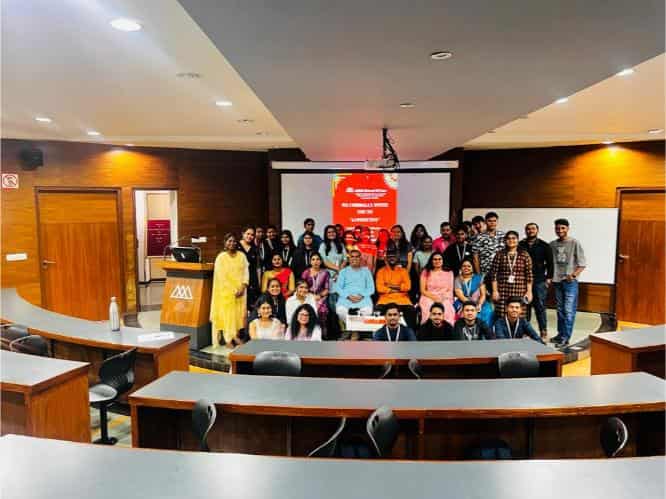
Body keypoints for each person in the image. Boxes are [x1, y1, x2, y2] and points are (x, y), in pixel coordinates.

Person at [550, 218, 586, 347]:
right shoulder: (552, 244)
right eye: (557, 228)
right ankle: (560, 334)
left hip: (570, 282)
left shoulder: (574, 243)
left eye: (563, 228)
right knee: (560, 310)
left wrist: (573, 275)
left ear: (567, 228)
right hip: (557, 281)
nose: (560, 230)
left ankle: (566, 337)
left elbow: (582, 264)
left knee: (568, 310)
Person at [210, 233, 249, 348]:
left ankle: (236, 336)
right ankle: (228, 339)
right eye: (229, 241)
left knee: (239, 315)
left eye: (234, 241)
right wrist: (234, 290)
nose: (232, 243)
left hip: (241, 291)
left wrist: (243, 286)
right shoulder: (221, 257)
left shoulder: (242, 256)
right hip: (226, 293)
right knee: (228, 315)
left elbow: (246, 272)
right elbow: (221, 277)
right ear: (225, 243)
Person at [519, 223, 554, 339]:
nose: (530, 231)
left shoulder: (544, 245)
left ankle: (543, 331)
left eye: (533, 229)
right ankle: (525, 331)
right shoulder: (520, 245)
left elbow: (550, 263)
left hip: (539, 280)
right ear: (525, 231)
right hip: (523, 280)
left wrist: (548, 278)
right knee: (525, 306)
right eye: (528, 229)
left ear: (537, 230)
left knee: (540, 307)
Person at [489, 231, 533, 319]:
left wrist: (529, 292)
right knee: (501, 315)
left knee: (518, 314)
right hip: (503, 290)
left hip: (520, 290)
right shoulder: (499, 254)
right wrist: (494, 291)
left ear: (518, 240)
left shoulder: (524, 255)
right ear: (505, 241)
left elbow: (529, 275)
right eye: (508, 238)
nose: (511, 240)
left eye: (514, 238)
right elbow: (494, 274)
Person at [375, 249, 416, 328]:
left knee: (411, 311)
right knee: (377, 311)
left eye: (394, 256)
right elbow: (379, 288)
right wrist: (399, 288)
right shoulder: (381, 271)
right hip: (385, 300)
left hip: (402, 300)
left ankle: (410, 333)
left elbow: (408, 287)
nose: (392, 258)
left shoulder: (403, 271)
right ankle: (380, 334)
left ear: (398, 258)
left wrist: (389, 286)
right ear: (386, 258)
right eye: (389, 256)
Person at [334, 249, 375, 322]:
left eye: (357, 257)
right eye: (352, 257)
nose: (354, 258)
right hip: (346, 299)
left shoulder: (366, 271)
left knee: (368, 311)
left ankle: (357, 327)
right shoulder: (343, 271)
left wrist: (362, 295)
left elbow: (371, 288)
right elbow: (338, 288)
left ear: (360, 259)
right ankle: (352, 327)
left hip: (363, 299)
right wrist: (348, 296)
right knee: (340, 311)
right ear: (349, 259)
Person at [454, 259, 494, 326]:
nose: (466, 268)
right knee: (468, 313)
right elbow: (460, 296)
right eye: (464, 266)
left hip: (479, 301)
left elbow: (483, 295)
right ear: (461, 268)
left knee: (488, 311)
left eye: (469, 266)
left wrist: (480, 304)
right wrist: (472, 305)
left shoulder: (479, 278)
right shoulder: (458, 279)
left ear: (472, 268)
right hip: (463, 302)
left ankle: (485, 331)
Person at [418, 252, 455, 325]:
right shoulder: (426, 272)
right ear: (431, 261)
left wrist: (442, 298)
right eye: (435, 259)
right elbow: (422, 290)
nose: (437, 261)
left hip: (444, 297)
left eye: (439, 259)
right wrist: (434, 298)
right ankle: (428, 329)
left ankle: (447, 329)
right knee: (429, 309)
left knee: (447, 309)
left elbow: (450, 290)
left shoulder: (449, 272)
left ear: (443, 260)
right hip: (428, 296)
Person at [301, 253, 330, 338]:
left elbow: (327, 289)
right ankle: (308, 331)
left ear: (321, 261)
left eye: (318, 259)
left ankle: (321, 331)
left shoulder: (325, 273)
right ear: (310, 261)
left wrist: (319, 296)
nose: (315, 261)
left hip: (321, 297)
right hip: (307, 295)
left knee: (321, 309)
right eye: (313, 259)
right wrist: (310, 296)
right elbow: (302, 287)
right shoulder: (306, 272)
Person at [238, 226, 260, 305]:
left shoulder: (254, 248)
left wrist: (258, 283)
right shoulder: (236, 245)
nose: (250, 236)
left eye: (252, 235)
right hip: (239, 278)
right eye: (248, 234)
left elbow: (257, 267)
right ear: (243, 234)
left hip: (252, 279)